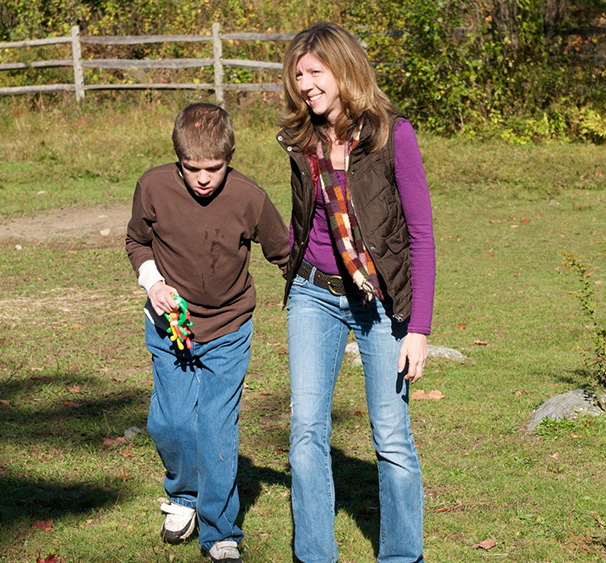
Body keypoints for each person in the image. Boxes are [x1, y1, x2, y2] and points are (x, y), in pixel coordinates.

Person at [277, 22, 436, 563]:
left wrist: (418, 329)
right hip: (313, 295)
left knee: (391, 437)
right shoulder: (302, 138)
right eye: (298, 75)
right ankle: (315, 555)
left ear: (344, 72)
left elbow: (420, 235)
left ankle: (402, 556)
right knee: (305, 430)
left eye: (315, 73)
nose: (305, 85)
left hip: (379, 302)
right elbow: (304, 221)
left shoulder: (394, 135)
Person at [126, 102, 290, 563]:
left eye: (213, 169)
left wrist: (320, 294)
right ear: (178, 160)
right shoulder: (153, 186)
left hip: (228, 328)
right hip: (169, 326)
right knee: (170, 422)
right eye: (191, 168)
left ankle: (221, 533)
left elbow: (285, 252)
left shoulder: (248, 197)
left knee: (216, 431)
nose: (203, 178)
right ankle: (184, 495)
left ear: (229, 158)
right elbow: (136, 241)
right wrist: (153, 282)